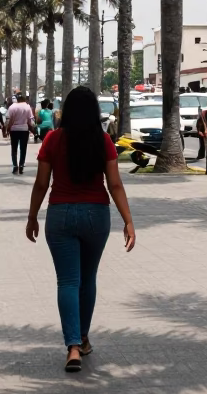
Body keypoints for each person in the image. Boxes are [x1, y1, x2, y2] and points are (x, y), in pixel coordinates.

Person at [26, 86, 135, 372]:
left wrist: (32, 216)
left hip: (60, 214)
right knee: (87, 279)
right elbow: (114, 185)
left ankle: (72, 346)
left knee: (67, 282)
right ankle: (83, 337)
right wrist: (128, 220)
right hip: (96, 215)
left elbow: (41, 183)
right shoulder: (103, 141)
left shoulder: (52, 139)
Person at [5, 94, 36, 173]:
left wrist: (7, 129)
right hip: (24, 130)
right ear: (24, 100)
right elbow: (30, 120)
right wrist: (33, 128)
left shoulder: (12, 107)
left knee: (14, 149)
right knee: (23, 149)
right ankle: (21, 165)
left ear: (17, 100)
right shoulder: (27, 107)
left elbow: (9, 120)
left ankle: (15, 165)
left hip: (14, 129)